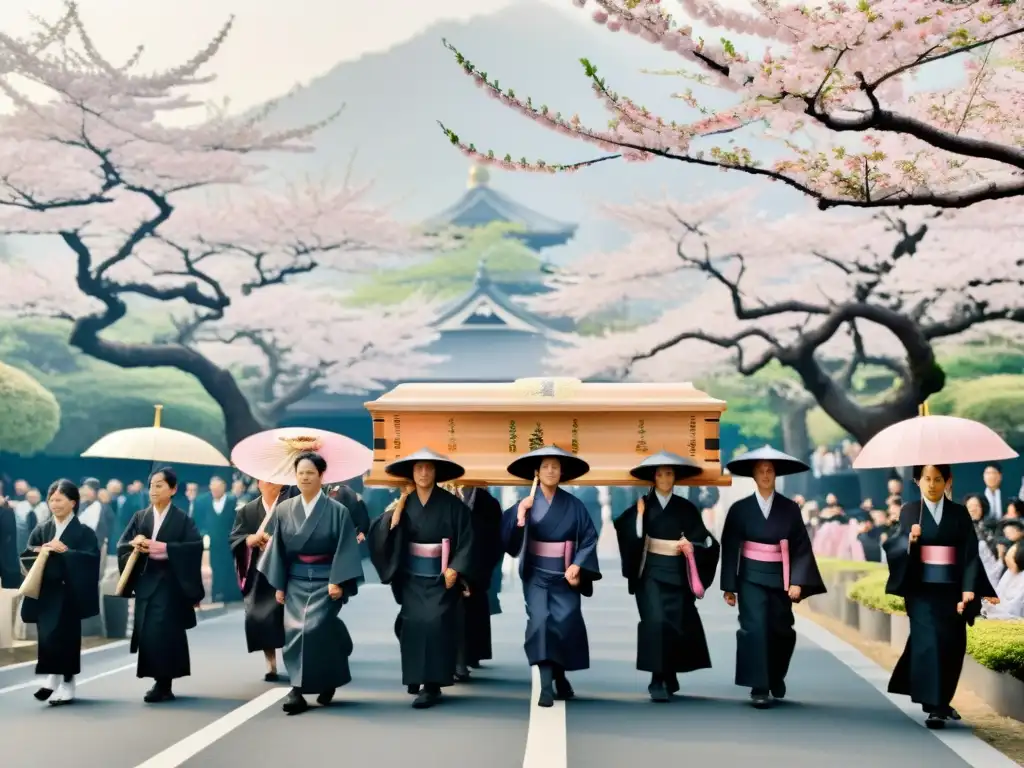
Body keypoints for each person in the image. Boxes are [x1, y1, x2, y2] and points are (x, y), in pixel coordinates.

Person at [885, 464, 998, 728]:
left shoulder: (958, 513)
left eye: (938, 479)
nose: (932, 484)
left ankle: (942, 700)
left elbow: (970, 553)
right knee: (929, 641)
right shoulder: (910, 511)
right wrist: (910, 542)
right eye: (927, 479)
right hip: (921, 589)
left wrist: (970, 588)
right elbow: (895, 546)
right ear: (917, 481)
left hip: (952, 590)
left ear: (948, 481)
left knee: (952, 644)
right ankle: (935, 707)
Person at [258, 451, 364, 715]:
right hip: (295, 579)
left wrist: (338, 580)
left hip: (326, 579)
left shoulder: (337, 511)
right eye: (301, 473)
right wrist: (280, 585)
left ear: (321, 476)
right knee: (295, 631)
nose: (305, 477)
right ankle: (297, 690)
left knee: (316, 629)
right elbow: (279, 549)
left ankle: (326, 679)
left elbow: (345, 547)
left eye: (310, 473)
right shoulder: (284, 510)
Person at [719, 445, 826, 708]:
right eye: (760, 471)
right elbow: (730, 546)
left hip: (781, 578)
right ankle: (759, 685)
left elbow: (801, 546)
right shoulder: (740, 509)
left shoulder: (790, 508)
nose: (765, 475)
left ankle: (776, 675)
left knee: (780, 631)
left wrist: (798, 581)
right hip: (750, 577)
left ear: (776, 475)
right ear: (753, 476)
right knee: (754, 630)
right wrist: (729, 587)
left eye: (770, 470)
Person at [367, 447, 474, 709]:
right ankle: (416, 677)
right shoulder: (403, 504)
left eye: (429, 468)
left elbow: (468, 539)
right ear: (411, 473)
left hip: (441, 578)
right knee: (413, 623)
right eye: (418, 468)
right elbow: (380, 535)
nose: (424, 473)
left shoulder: (453, 506)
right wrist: (391, 522)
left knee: (435, 623)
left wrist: (455, 568)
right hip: (411, 577)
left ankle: (432, 685)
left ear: (437, 472)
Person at [614, 451, 720, 702]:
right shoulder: (642, 505)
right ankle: (657, 679)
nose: (664, 478)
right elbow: (626, 531)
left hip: (677, 574)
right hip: (649, 572)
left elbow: (705, 540)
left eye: (669, 473)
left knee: (674, 624)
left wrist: (691, 545)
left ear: (675, 477)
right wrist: (639, 517)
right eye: (660, 473)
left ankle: (669, 672)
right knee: (655, 621)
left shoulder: (686, 508)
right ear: (653, 477)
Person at [501, 445, 601, 708]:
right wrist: (520, 517)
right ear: (536, 472)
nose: (550, 471)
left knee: (564, 624)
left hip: (564, 574)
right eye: (545, 466)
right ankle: (546, 687)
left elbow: (589, 538)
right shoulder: (525, 504)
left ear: (561, 472)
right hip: (536, 574)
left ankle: (560, 675)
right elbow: (508, 540)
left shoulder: (574, 505)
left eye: (555, 467)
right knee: (541, 623)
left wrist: (578, 565)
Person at [116, 467, 205, 703]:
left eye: (159, 485)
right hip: (146, 579)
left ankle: (164, 682)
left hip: (170, 583)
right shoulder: (140, 516)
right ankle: (159, 679)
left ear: (173, 489)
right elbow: (122, 545)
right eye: (151, 485)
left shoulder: (182, 519)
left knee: (163, 630)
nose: (153, 490)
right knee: (148, 631)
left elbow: (194, 548)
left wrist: (165, 549)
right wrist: (136, 545)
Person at [19, 480, 101, 706]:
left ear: (73, 503)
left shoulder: (84, 532)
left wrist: (66, 552)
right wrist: (43, 549)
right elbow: (27, 553)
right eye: (51, 499)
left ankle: (67, 682)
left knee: (66, 638)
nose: (54, 504)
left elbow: (92, 558)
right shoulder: (42, 529)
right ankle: (52, 677)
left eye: (59, 499)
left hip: (69, 592)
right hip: (47, 591)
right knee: (47, 636)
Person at [229, 479, 289, 681]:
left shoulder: (291, 506)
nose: (272, 483)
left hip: (286, 569)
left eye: (275, 479)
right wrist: (251, 540)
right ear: (258, 483)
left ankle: (294, 658)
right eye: (266, 479)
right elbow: (235, 539)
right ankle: (270, 661)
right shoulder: (247, 510)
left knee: (288, 617)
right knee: (260, 615)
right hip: (259, 571)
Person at [444, 482, 504, 679]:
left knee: (472, 609)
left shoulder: (486, 501)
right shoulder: (442, 493)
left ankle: (469, 656)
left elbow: (494, 538)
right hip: (445, 561)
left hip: (477, 561)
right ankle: (452, 659)